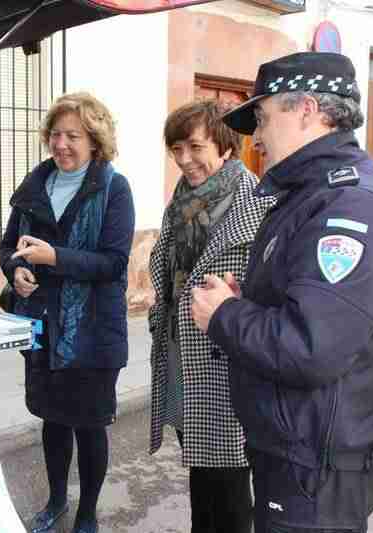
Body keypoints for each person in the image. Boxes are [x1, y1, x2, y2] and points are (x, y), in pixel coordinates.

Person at [190, 52, 373, 533]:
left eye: (263, 117)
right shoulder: (313, 194)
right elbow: (310, 306)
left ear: (308, 110)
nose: (256, 135)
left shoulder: (352, 206)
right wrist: (245, 300)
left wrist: (226, 316)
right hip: (299, 445)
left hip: (318, 460)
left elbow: (309, 346)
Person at [0, 92, 134, 533]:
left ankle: (88, 512)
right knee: (53, 421)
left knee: (89, 425)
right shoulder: (34, 186)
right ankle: (56, 500)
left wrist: (54, 257)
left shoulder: (114, 188)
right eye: (55, 134)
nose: (61, 144)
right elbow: (9, 249)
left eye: (72, 135)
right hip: (42, 326)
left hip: (93, 330)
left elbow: (113, 263)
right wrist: (16, 270)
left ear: (95, 140)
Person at [147, 100, 273, 533]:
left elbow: (276, 285)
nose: (184, 160)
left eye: (194, 147)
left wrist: (239, 299)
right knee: (202, 471)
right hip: (184, 357)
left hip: (227, 361)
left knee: (231, 482)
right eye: (176, 149)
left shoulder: (258, 203)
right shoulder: (182, 200)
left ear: (224, 147)